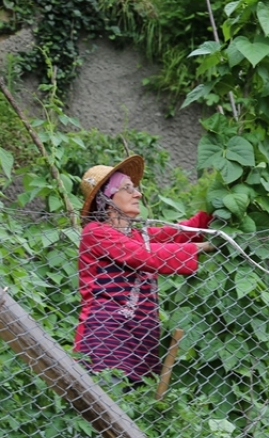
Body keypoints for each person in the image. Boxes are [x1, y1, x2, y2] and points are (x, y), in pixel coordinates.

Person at [73, 154, 215, 384]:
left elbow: (183, 232)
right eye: (127, 189)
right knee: (105, 404)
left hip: (141, 338)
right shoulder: (95, 232)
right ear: (107, 198)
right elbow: (144, 256)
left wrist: (216, 203)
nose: (137, 194)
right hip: (105, 337)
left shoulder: (137, 235)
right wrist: (202, 247)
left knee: (131, 411)